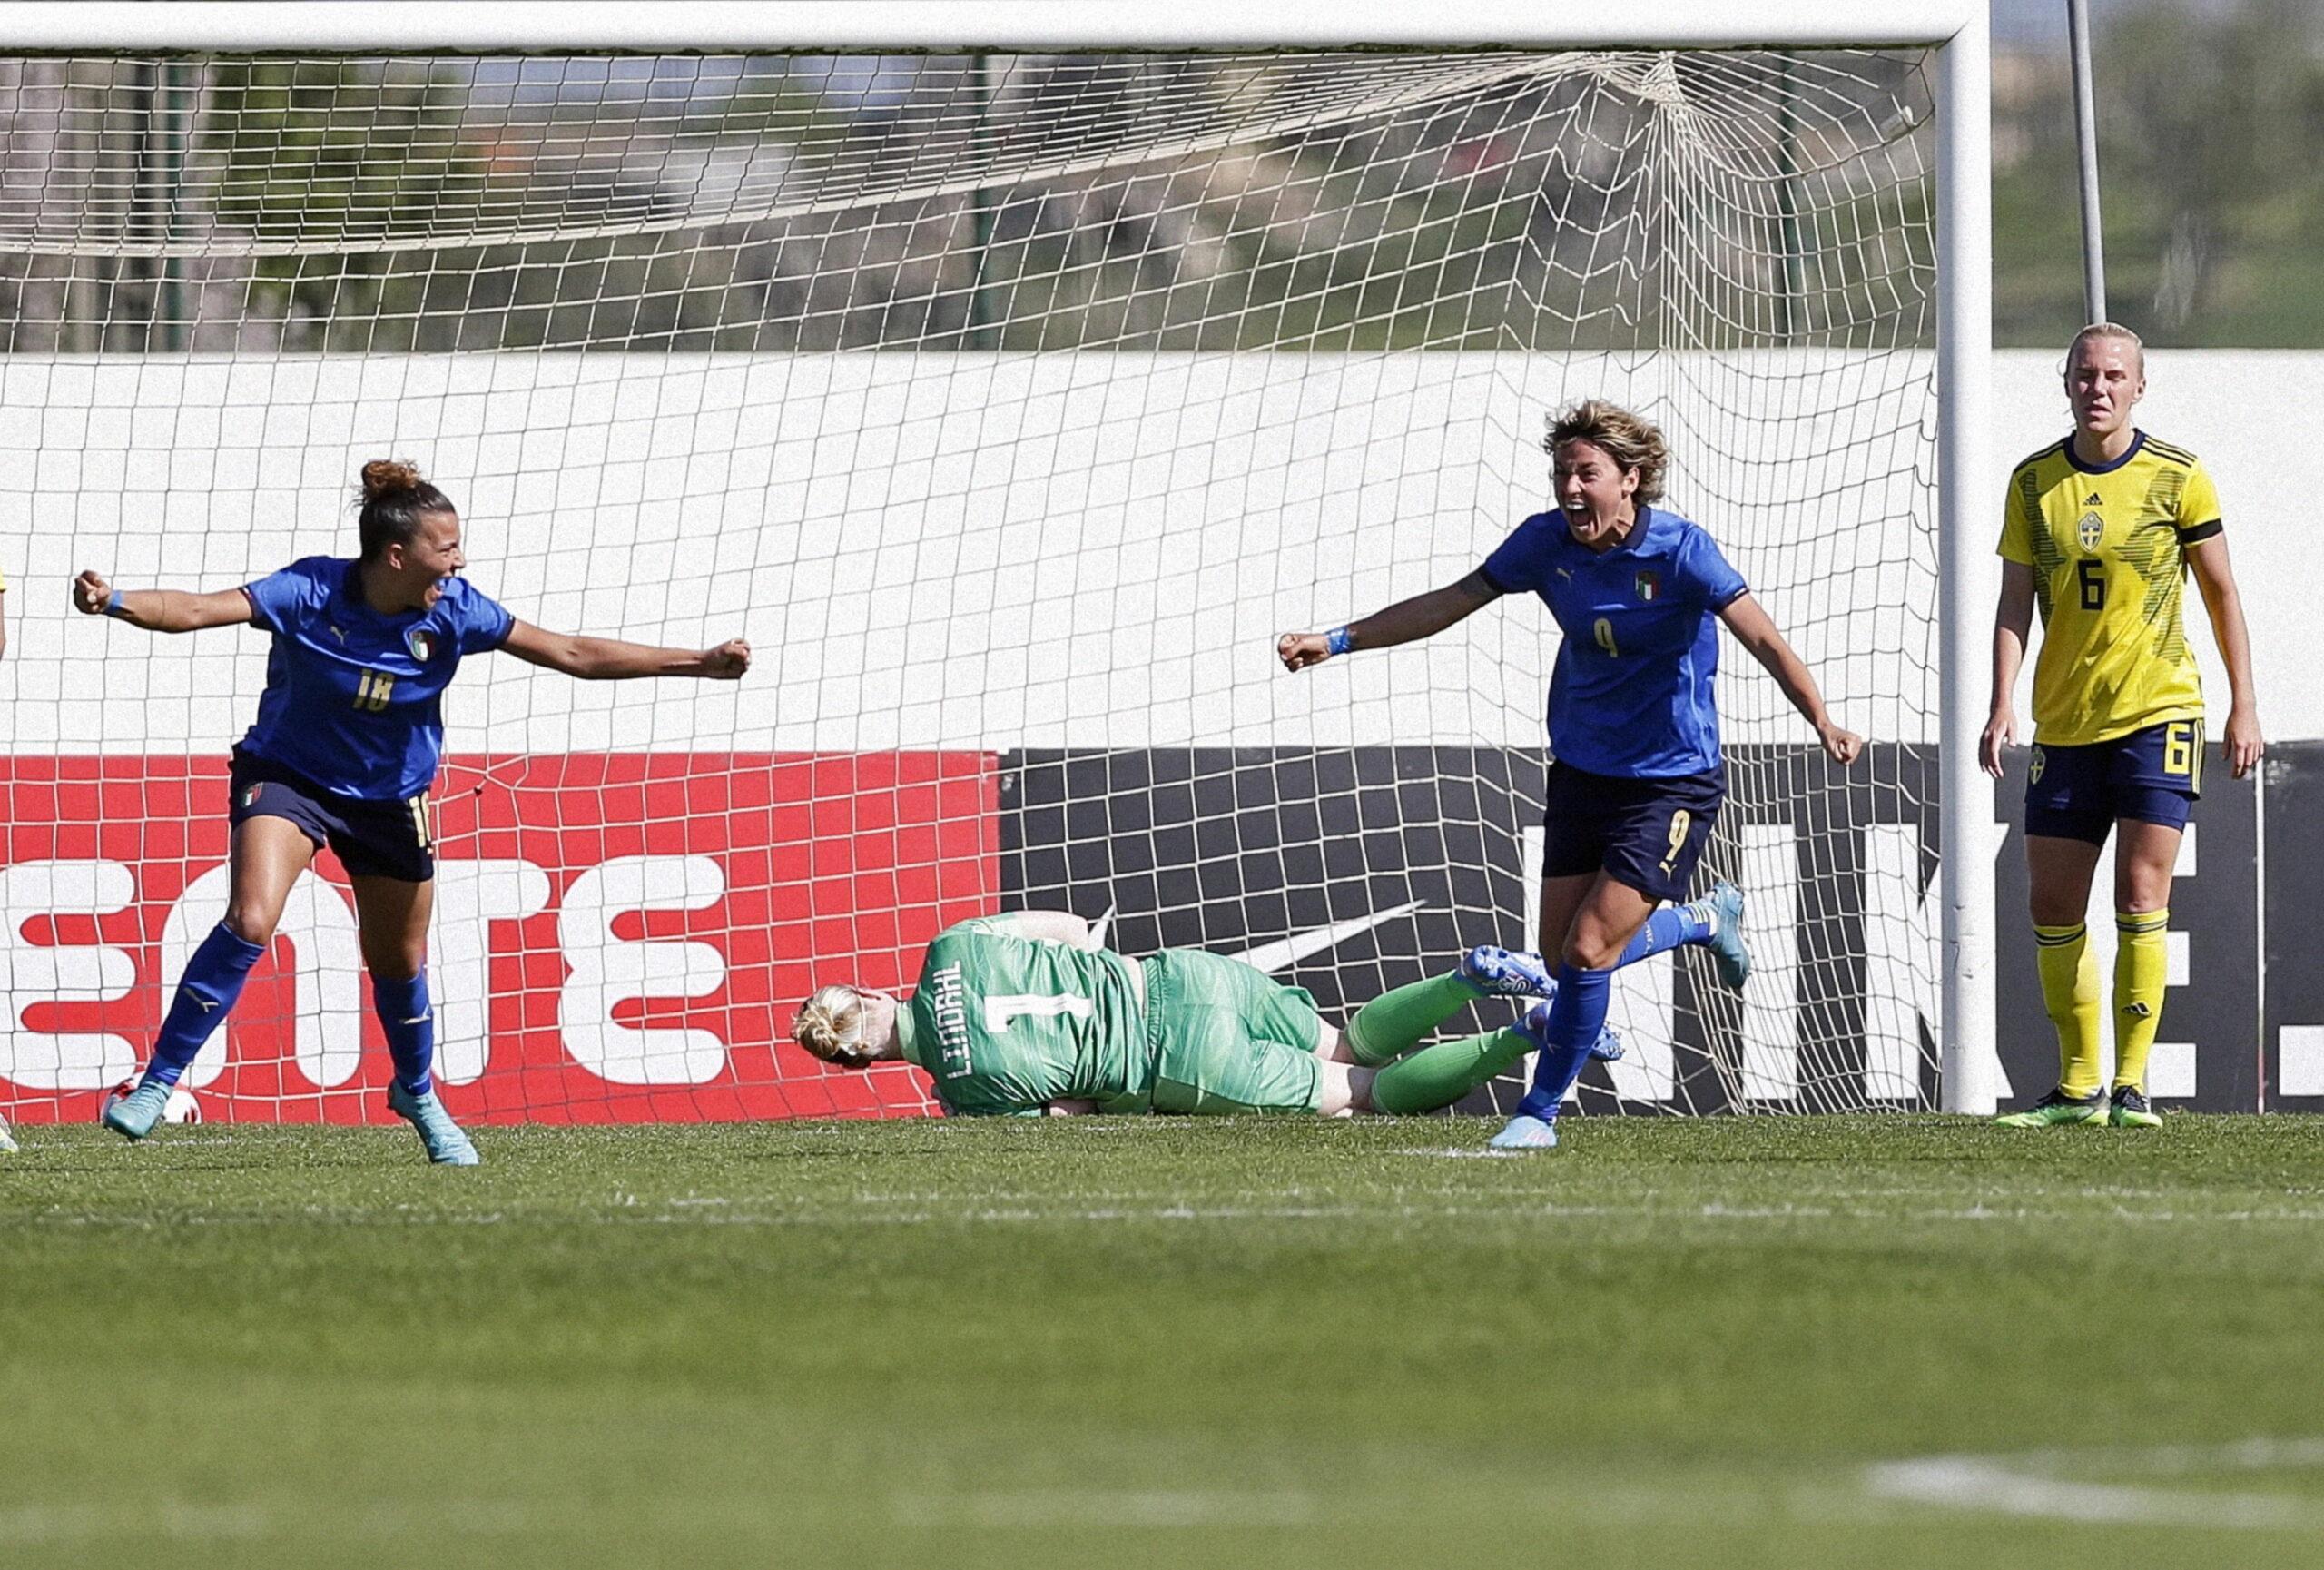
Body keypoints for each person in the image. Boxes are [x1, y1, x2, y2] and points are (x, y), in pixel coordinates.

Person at [75, 459, 750, 1163]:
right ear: (397, 555)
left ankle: (417, 1092)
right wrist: (114, 598)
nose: (458, 561)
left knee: (397, 960)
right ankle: (157, 1081)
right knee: (251, 917)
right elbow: (194, 610)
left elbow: (572, 651)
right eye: (446, 547)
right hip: (289, 777)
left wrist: (697, 663)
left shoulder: (456, 611)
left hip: (391, 800)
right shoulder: (310, 590)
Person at [1278, 400, 1861, 1149]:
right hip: (1584, 771)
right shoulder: (1545, 543)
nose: (1571, 490)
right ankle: (1701, 921)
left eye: (1587, 473)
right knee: (1562, 959)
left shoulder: (1683, 551)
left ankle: (1539, 1112)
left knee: (1589, 951)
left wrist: (1822, 718)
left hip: (1671, 782)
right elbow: (1450, 603)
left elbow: (1766, 641)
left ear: (1632, 478)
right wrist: (1338, 640)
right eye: (1563, 474)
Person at [1983, 323, 2262, 1131]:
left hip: (2157, 710)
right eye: (2083, 374)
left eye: (2113, 376)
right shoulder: (2033, 482)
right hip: (2066, 721)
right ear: (2065, 383)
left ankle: (2132, 1086)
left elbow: (2221, 593)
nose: (2097, 387)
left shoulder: (2178, 477)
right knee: (2052, 903)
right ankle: (2077, 1088)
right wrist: (2003, 700)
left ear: (2140, 387)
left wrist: (2245, 702)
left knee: (2142, 892)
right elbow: (2013, 603)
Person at [793, 912, 1625, 1119]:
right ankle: (1465, 979)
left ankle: (1523, 1033)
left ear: (862, 1062)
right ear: (867, 995)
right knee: (1340, 1034)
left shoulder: (963, 1093)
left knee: (1363, 1089)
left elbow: (1069, 1104)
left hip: (1179, 1061)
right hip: (1179, 978)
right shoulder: (949, 947)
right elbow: (1063, 929)